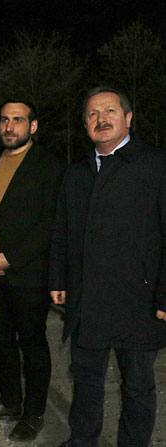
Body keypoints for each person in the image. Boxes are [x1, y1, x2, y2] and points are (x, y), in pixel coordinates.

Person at [50, 86, 166, 447]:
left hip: (139, 301)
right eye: (92, 114)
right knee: (86, 380)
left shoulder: (156, 165)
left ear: (128, 118)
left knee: (138, 386)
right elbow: (62, 231)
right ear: (85, 124)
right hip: (89, 302)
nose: (101, 119)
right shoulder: (77, 172)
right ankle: (82, 441)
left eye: (110, 111)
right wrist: (58, 278)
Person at [0, 100, 65, 442]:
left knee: (33, 345)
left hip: (27, 275)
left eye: (18, 120)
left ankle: (34, 413)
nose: (10, 127)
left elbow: (50, 222)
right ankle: (10, 401)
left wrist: (13, 258)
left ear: (32, 126)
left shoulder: (50, 166)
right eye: (5, 120)